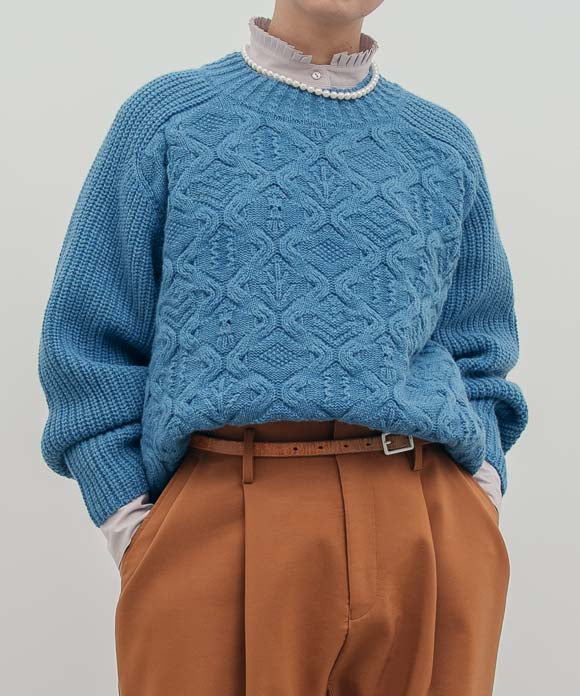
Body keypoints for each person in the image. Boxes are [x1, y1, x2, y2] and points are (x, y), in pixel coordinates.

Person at [37, 2, 528, 694]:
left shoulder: (441, 144)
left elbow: (479, 343)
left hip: (425, 519)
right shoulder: (169, 119)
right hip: (222, 514)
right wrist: (134, 524)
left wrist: (479, 497)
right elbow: (87, 339)